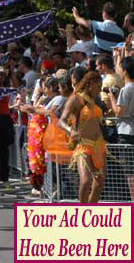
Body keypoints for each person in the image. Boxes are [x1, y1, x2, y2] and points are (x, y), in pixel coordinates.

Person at [58, 71, 106, 203]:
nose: (100, 89)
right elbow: (61, 121)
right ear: (89, 84)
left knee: (98, 184)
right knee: (85, 181)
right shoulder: (75, 98)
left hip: (99, 145)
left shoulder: (95, 100)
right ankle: (82, 213)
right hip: (83, 145)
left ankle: (90, 213)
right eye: (98, 86)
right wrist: (70, 130)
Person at [109, 56, 134, 145]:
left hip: (126, 132)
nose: (118, 70)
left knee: (125, 159)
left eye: (120, 68)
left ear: (125, 71)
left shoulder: (126, 89)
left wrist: (112, 98)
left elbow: (118, 113)